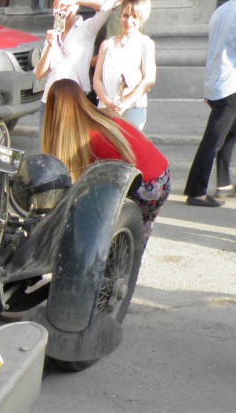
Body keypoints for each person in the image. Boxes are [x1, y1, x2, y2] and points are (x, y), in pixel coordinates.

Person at [43, 79, 169, 239]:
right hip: (162, 177)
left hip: (145, 185)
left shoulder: (85, 138)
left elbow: (75, 186)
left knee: (94, 232)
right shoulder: (103, 117)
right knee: (133, 238)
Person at [183, 0, 236, 208]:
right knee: (213, 140)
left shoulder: (220, 11)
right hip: (230, 83)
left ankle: (223, 182)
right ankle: (196, 192)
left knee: (230, 133)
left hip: (218, 81)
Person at [35, 0, 119, 115]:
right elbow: (39, 74)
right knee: (46, 133)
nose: (63, 11)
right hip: (50, 99)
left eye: (67, 7)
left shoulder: (86, 28)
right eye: (59, 7)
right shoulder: (52, 36)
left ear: (76, 7)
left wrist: (75, 0)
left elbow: (108, 5)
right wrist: (50, 46)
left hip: (74, 99)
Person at [93, 0, 156, 131]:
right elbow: (97, 79)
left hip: (132, 108)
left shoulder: (146, 44)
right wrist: (107, 102)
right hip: (106, 108)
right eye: (125, 15)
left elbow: (149, 79)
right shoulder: (107, 45)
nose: (128, 21)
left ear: (141, 19)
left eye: (134, 16)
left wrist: (125, 103)